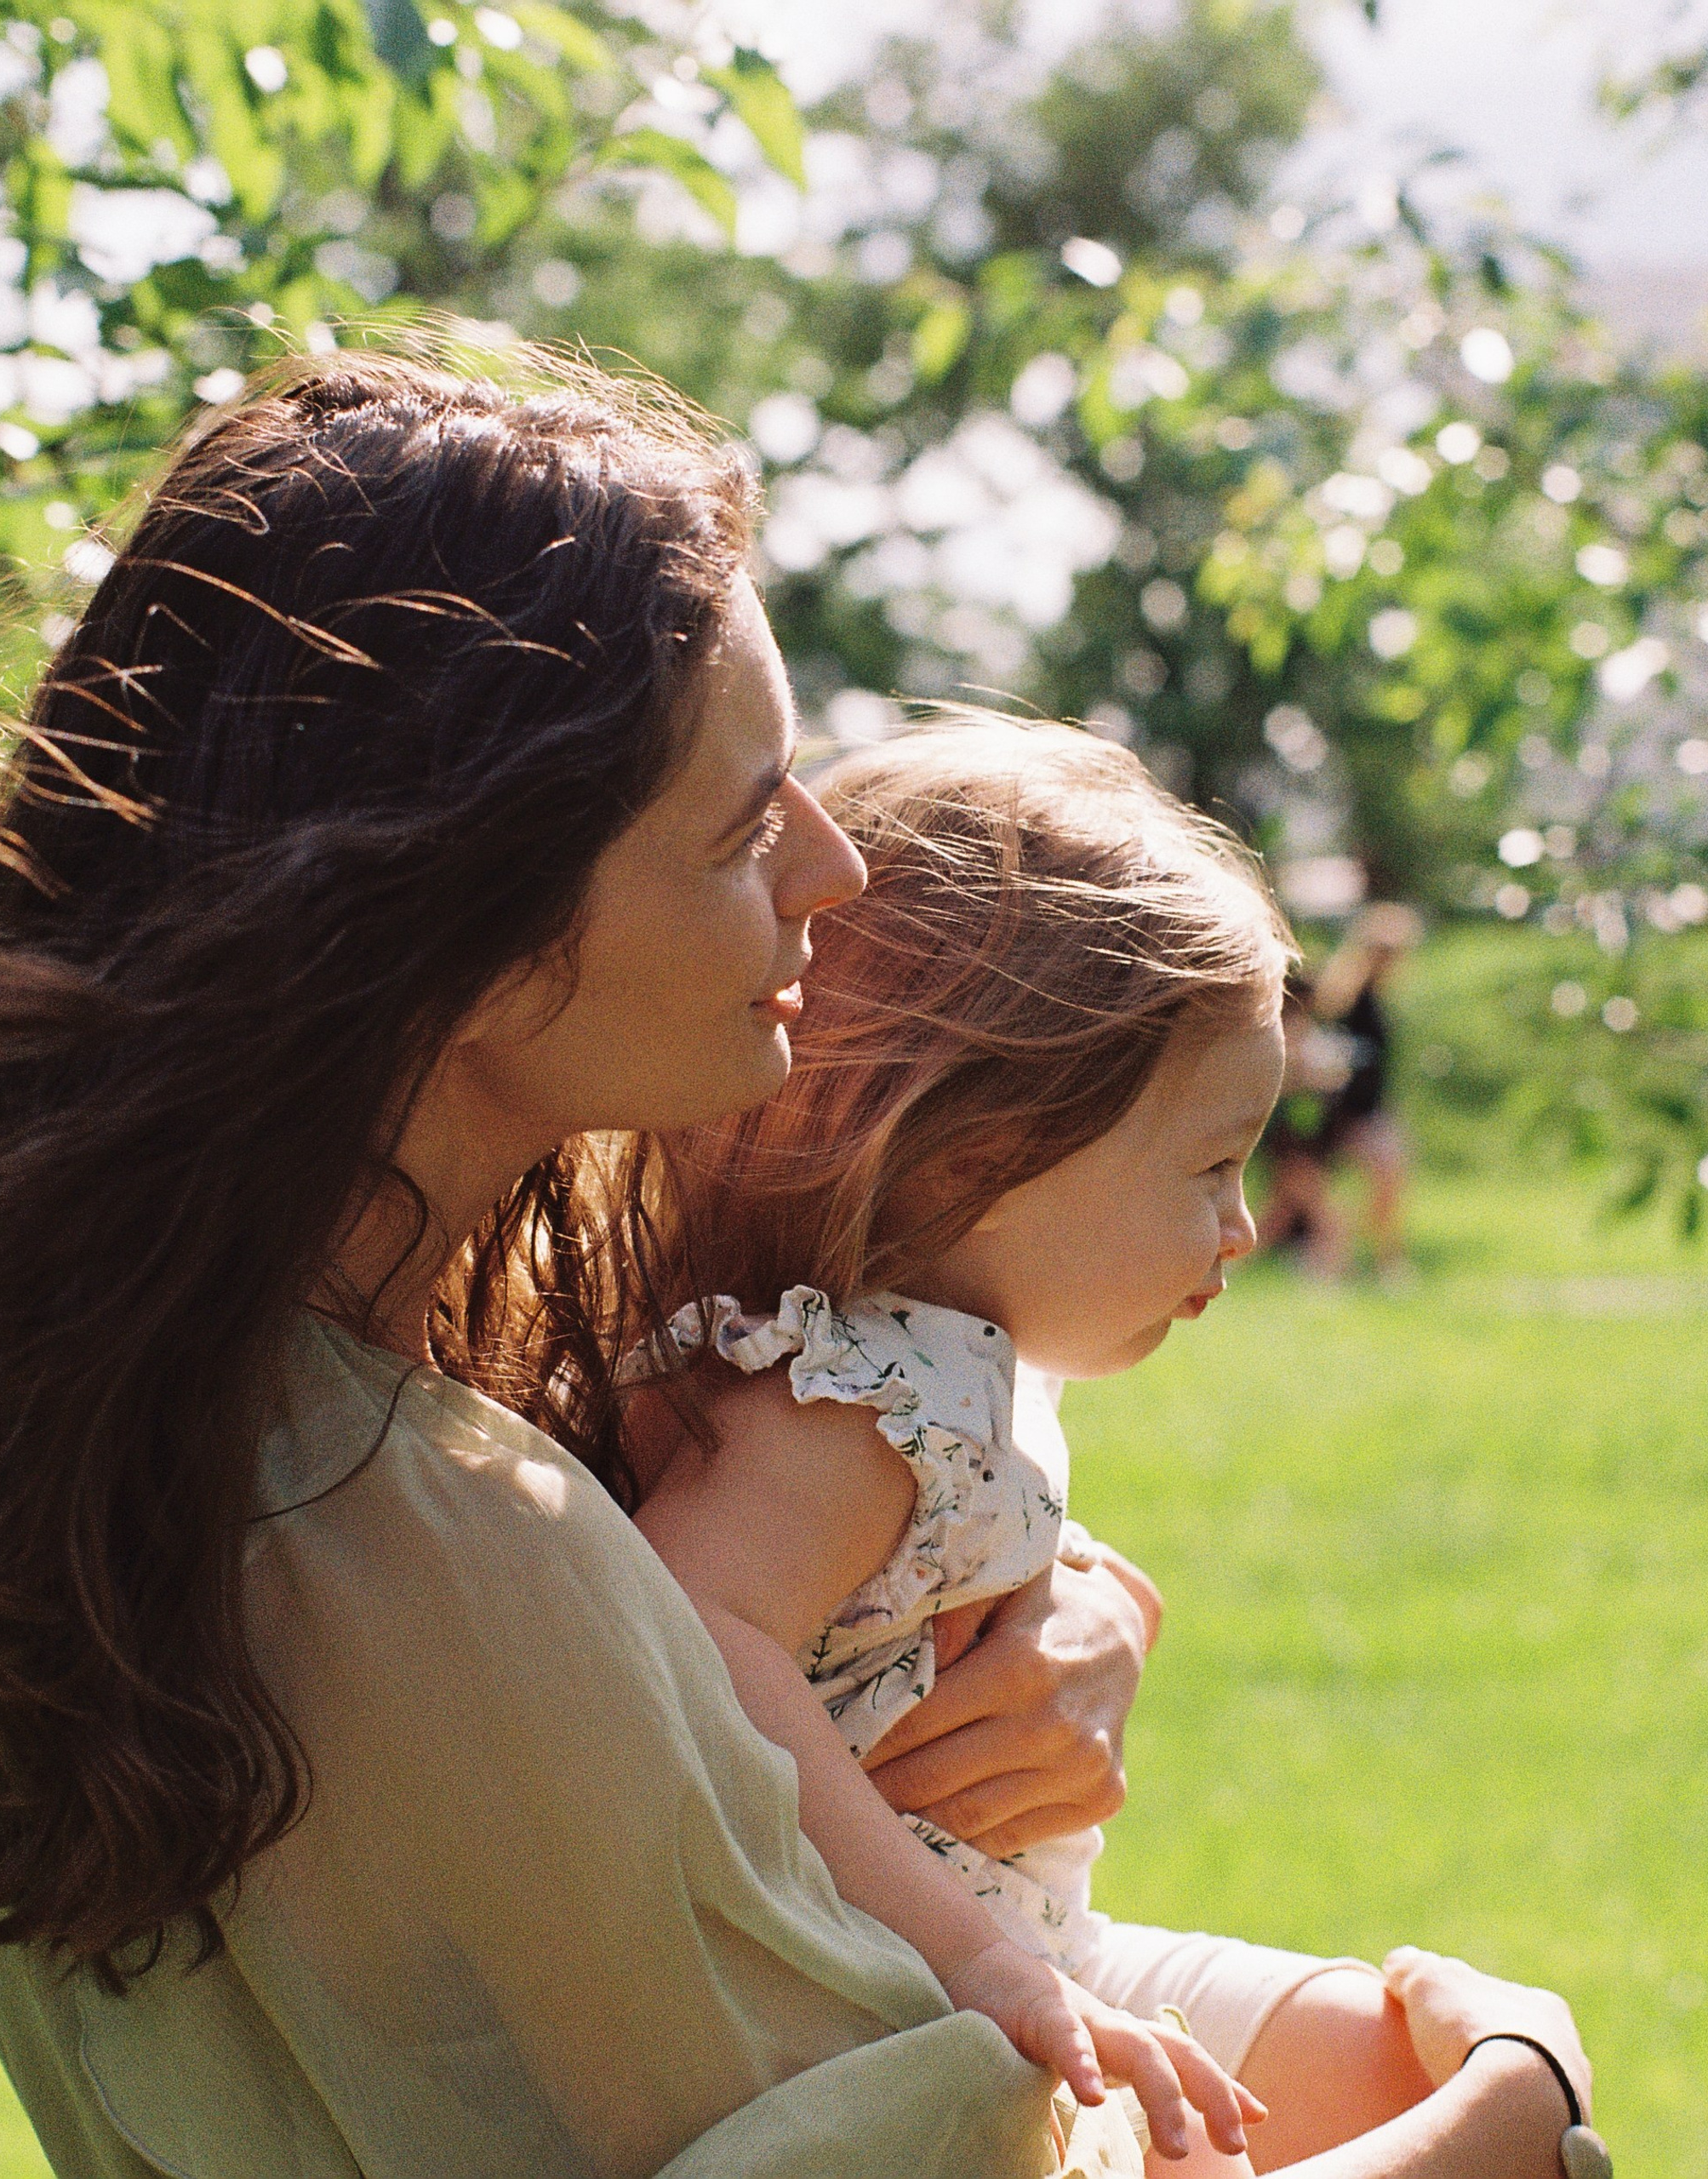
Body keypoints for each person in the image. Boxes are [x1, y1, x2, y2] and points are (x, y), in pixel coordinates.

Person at [0, 346, 1591, 2179]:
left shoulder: (206, 1415)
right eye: (748, 820)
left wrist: (1034, 1596)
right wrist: (1499, 2119)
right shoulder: (421, 1542)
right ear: (485, 926)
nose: (832, 871)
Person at [625, 723, 1594, 2177]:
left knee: (1386, 2058)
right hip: (896, 2008)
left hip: (1013, 1958)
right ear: (978, 1156)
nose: (1244, 1227)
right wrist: (993, 1973)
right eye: (1210, 1165)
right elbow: (691, 1641)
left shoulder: (933, 1377)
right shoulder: (848, 1412)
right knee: (1464, 2104)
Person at [1257, 905, 1422, 1280]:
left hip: (1359, 1109)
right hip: (1334, 1113)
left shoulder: (1378, 999)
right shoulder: (1340, 998)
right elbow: (1308, 1051)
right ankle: (1377, 1264)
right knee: (1316, 1207)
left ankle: (1375, 1263)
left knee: (1300, 1206)